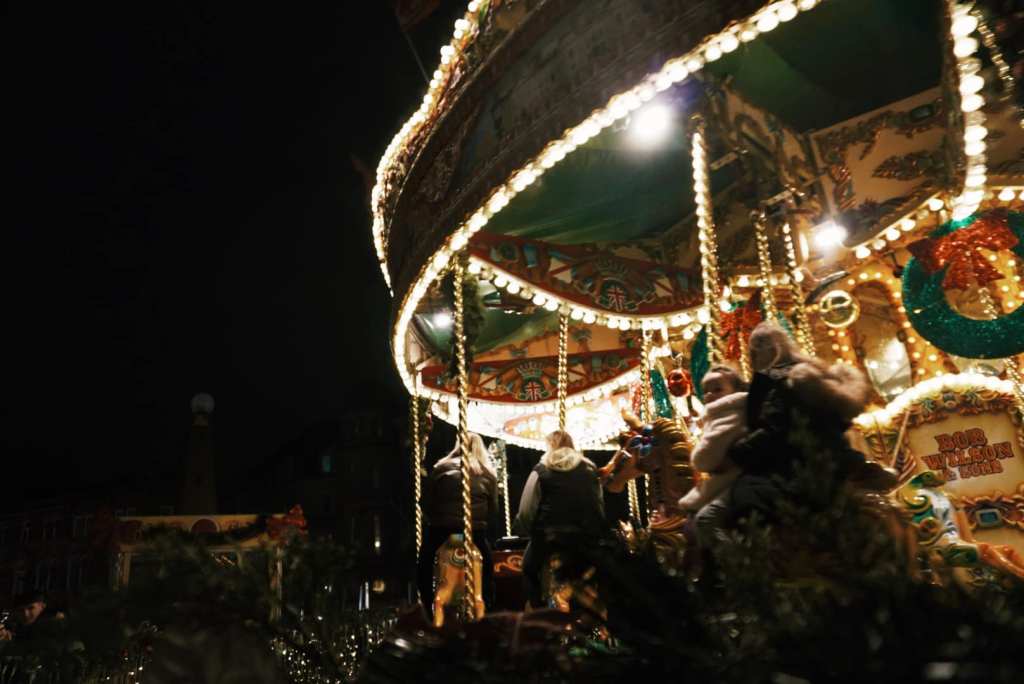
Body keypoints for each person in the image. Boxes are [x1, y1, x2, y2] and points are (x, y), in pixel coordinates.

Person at [726, 321, 895, 524]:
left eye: (753, 353)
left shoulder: (779, 381)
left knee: (743, 497)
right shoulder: (815, 373)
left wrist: (739, 450)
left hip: (802, 466)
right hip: (836, 456)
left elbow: (775, 430)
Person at [515, 431, 605, 609]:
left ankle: (537, 608)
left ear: (550, 446)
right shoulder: (589, 469)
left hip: (548, 538)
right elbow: (598, 504)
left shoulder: (541, 470)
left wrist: (525, 529)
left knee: (528, 568)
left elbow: (526, 509)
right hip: (583, 537)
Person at [417, 433, 499, 619]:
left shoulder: (441, 468)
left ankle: (426, 605)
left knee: (425, 562)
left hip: (443, 531)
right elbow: (494, 510)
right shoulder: (488, 474)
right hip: (474, 532)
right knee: (488, 565)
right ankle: (488, 601)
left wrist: (435, 517)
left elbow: (425, 503)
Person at [677, 365, 749, 548]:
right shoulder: (722, 414)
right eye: (706, 391)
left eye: (717, 389)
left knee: (705, 520)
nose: (709, 395)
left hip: (734, 481)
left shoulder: (730, 413)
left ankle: (733, 559)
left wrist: (698, 454)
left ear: (735, 391)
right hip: (728, 479)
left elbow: (703, 459)